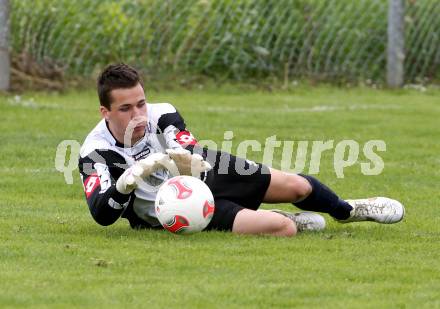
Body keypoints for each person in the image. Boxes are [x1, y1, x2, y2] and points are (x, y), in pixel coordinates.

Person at [78, 63, 405, 237]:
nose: (138, 115)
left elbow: (189, 144)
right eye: (125, 109)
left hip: (207, 173)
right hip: (172, 208)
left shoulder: (162, 113)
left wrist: (184, 155)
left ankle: (349, 210)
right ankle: (278, 218)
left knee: (297, 186)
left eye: (141, 103)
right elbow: (102, 215)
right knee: (284, 229)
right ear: (105, 112)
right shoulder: (94, 152)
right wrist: (126, 184)